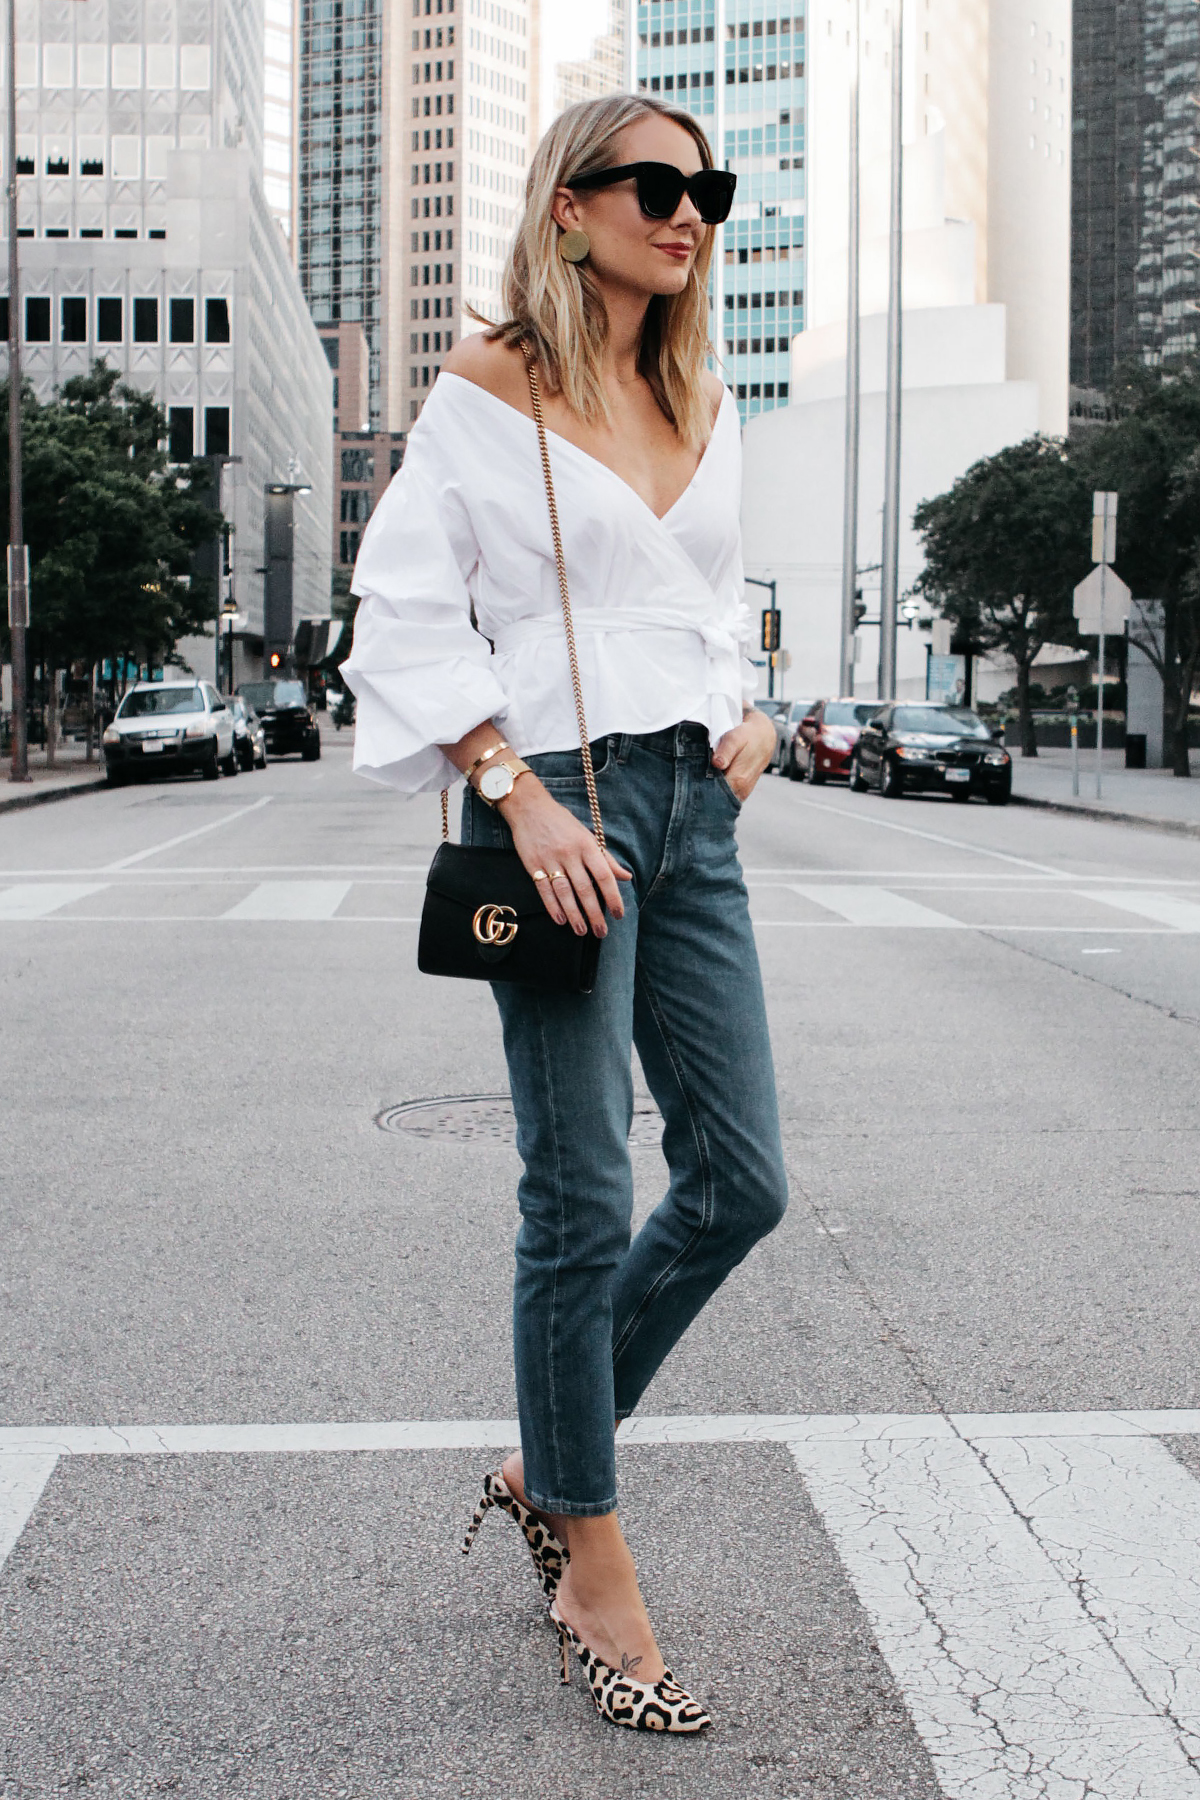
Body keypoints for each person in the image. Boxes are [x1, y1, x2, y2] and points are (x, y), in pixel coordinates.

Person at [342, 93, 788, 1733]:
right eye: (656, 187)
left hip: (697, 805)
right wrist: (512, 790)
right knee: (583, 1194)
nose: (689, 214)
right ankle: (590, 1552)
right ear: (572, 204)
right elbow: (401, 607)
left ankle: (548, 1456)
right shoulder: (492, 389)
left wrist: (750, 714)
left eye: (708, 190)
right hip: (560, 802)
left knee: (742, 1182)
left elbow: (707, 607)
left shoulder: (701, 398)